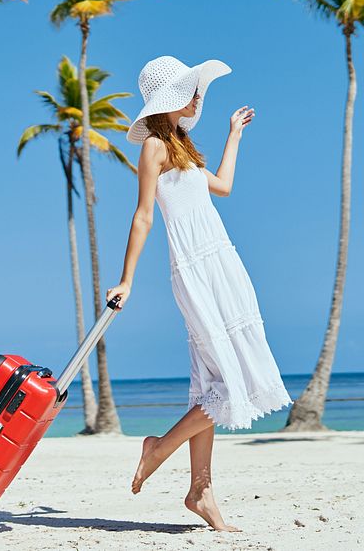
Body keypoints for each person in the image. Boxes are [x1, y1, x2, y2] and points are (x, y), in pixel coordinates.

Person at [105, 55, 291, 532]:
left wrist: (234, 135)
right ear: (169, 98)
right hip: (194, 268)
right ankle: (159, 449)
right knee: (227, 381)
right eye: (189, 89)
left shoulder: (182, 146)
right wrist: (126, 279)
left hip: (222, 261)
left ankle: (200, 491)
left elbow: (224, 187)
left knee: (211, 382)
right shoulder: (152, 149)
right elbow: (143, 215)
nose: (195, 97)